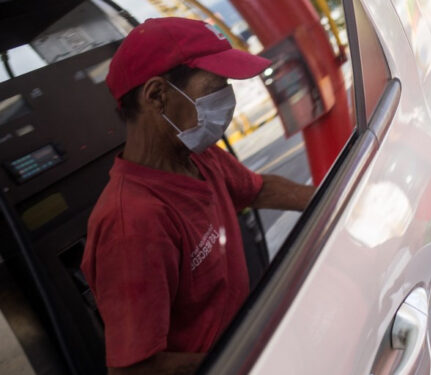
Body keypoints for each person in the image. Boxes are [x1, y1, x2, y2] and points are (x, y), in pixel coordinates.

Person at [81, 17, 315, 374]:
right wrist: (251, 360)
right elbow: (136, 369)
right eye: (215, 85)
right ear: (157, 95)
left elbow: (257, 188)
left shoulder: (198, 155)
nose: (228, 99)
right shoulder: (132, 222)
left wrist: (338, 204)